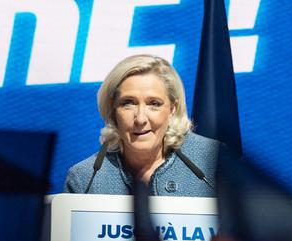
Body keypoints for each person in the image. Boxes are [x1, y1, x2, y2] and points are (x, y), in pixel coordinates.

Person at [64, 54, 220, 196]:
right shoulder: (84, 180)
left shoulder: (215, 162)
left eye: (154, 104)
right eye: (128, 103)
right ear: (113, 110)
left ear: (172, 109)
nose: (140, 119)